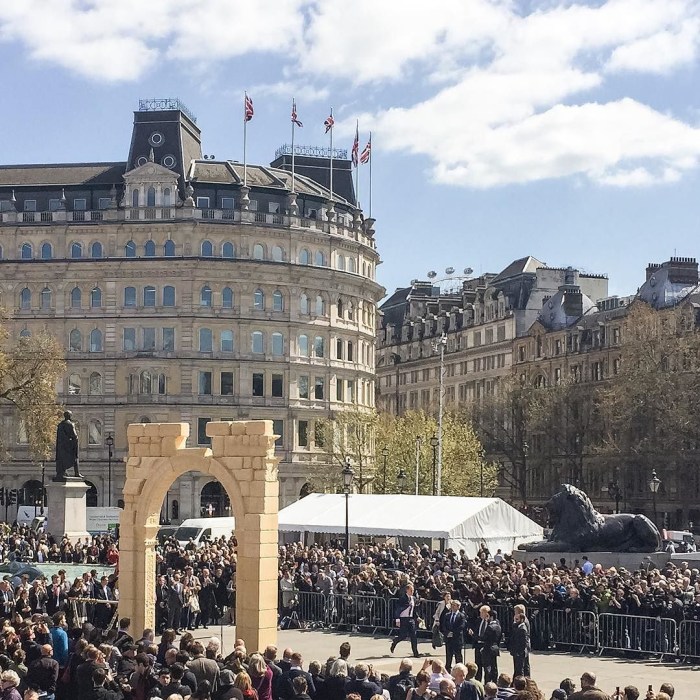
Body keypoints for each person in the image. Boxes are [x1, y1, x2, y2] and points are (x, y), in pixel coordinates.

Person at [390, 584, 420, 658]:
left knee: (414, 636)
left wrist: (417, 617)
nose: (412, 591)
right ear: (407, 590)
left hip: (411, 619)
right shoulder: (403, 598)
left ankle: (415, 652)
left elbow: (414, 609)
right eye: (411, 590)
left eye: (413, 590)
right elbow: (398, 609)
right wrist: (397, 619)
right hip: (403, 619)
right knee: (403, 636)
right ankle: (395, 641)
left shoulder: (413, 598)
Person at [55, 411, 82, 479]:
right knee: (75, 457)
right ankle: (77, 473)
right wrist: (76, 441)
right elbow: (74, 435)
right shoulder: (70, 424)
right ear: (70, 416)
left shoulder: (60, 424)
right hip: (70, 445)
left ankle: (61, 472)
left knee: (61, 459)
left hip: (61, 446)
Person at [440, 600, 465, 671]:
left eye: (454, 605)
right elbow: (444, 625)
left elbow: (461, 626)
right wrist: (447, 632)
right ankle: (448, 669)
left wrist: (453, 633)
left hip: (457, 639)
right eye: (452, 605)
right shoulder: (447, 615)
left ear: (458, 607)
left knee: (458, 656)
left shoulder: (461, 616)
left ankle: (459, 669)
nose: (452, 607)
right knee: (448, 656)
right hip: (449, 639)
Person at [507, 612, 529, 679]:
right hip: (516, 651)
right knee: (517, 669)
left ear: (522, 619)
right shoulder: (517, 627)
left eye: (517, 619)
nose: (515, 621)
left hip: (519, 652)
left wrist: (520, 652)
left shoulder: (522, 629)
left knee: (519, 670)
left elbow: (524, 642)